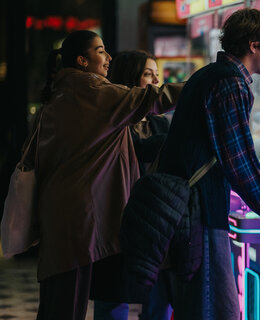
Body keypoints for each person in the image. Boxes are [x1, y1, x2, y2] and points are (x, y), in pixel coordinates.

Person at [157, 8, 260, 319]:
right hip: (201, 211)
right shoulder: (230, 84)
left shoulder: (209, 75)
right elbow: (238, 159)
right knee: (210, 306)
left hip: (188, 208)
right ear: (254, 44)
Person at [30, 30, 184, 320]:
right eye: (101, 50)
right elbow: (156, 99)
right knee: (74, 301)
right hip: (80, 214)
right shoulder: (92, 92)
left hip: (64, 210)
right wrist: (203, 83)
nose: (108, 56)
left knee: (61, 299)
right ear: (82, 60)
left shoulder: (65, 92)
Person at [93, 50, 173, 320]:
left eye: (157, 76)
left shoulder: (160, 124)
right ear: (129, 78)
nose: (154, 82)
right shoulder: (111, 126)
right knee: (113, 303)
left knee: (159, 303)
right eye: (147, 74)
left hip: (155, 224)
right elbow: (138, 152)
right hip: (116, 221)